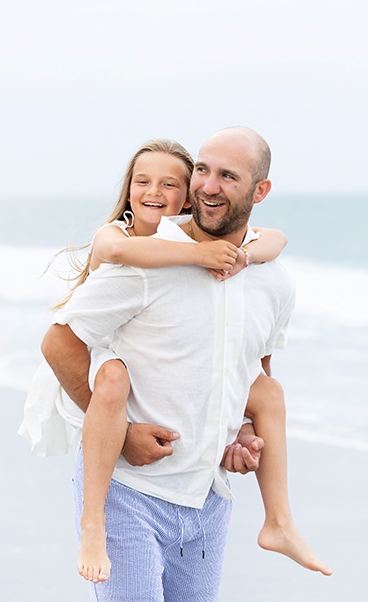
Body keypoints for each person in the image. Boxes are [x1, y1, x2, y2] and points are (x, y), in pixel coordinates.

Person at [39, 127, 319, 601]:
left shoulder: (273, 282)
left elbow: (252, 374)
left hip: (207, 500)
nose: (208, 185)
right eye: (204, 171)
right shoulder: (148, 265)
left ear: (260, 191)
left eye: (227, 176)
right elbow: (59, 342)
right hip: (129, 493)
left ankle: (280, 521)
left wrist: (243, 435)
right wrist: (120, 432)